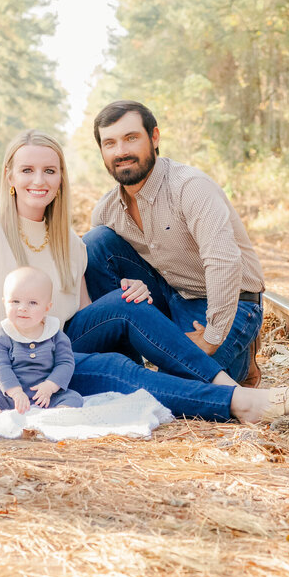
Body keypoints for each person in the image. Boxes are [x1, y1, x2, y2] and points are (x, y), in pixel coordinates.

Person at [0, 128, 289, 423]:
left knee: (124, 308)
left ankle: (225, 385)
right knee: (117, 369)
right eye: (27, 170)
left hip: (52, 353)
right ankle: (237, 402)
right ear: (10, 175)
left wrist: (126, 295)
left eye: (49, 171)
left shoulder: (68, 242)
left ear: (59, 180)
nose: (38, 180)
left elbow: (86, 315)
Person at [85, 100, 264, 386]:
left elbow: (224, 262)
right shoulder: (106, 210)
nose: (121, 152)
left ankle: (243, 349)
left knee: (186, 387)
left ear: (154, 138)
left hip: (229, 299)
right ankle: (128, 361)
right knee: (95, 243)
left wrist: (213, 335)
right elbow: (95, 274)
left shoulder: (190, 186)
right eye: (110, 143)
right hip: (170, 294)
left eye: (131, 138)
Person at [0, 266, 85, 417]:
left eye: (32, 303)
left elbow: (65, 363)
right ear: (5, 303)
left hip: (44, 394)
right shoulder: (1, 337)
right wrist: (16, 392)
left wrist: (50, 386)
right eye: (15, 301)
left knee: (74, 398)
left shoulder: (55, 335)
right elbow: (1, 367)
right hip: (9, 396)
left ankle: (57, 415)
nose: (22, 308)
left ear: (47, 307)